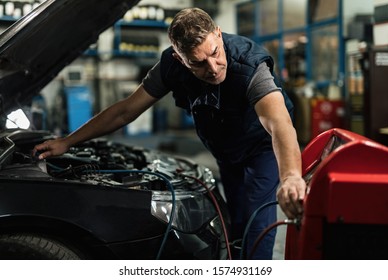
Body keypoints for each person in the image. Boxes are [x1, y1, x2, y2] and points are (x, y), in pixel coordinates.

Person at [33, 7, 306, 259]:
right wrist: (67, 142)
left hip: (262, 146)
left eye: (215, 53)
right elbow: (125, 111)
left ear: (218, 34)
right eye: (198, 63)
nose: (212, 68)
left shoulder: (250, 66)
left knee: (259, 220)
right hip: (224, 148)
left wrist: (291, 176)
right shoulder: (169, 66)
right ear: (179, 58)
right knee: (235, 220)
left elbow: (278, 124)